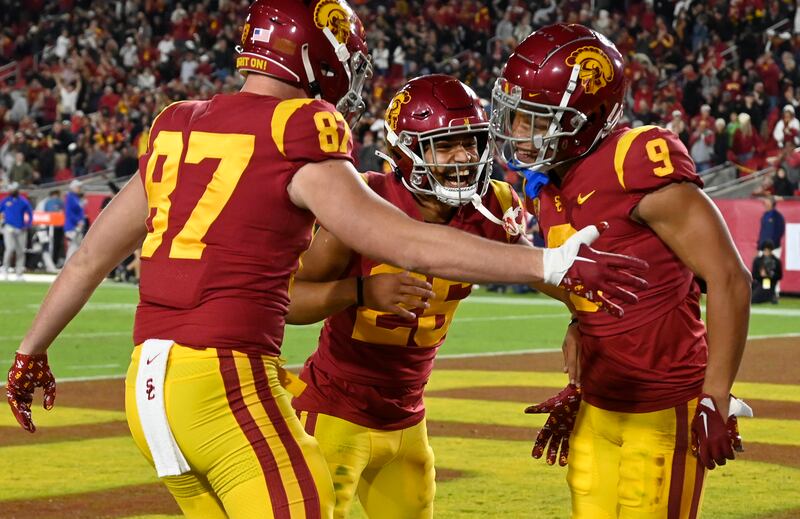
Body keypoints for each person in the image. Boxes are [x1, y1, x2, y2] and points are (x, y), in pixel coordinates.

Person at [4, 4, 647, 519]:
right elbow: (404, 241)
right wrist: (549, 266)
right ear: (317, 55)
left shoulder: (177, 122)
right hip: (223, 381)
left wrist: (31, 349)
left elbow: (91, 256)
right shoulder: (299, 126)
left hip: (147, 387)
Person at [283, 74, 613, 519]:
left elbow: (540, 272)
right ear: (406, 150)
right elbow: (286, 300)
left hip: (408, 417)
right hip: (334, 411)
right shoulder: (366, 198)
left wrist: (580, 318)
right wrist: (359, 291)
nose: (464, 158)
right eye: (446, 145)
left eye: (471, 143)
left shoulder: (494, 204)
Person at [490, 24, 752, 518]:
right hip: (598, 406)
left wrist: (716, 398)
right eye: (517, 116)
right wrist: (579, 329)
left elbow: (730, 278)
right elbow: (592, 279)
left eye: (535, 120)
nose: (518, 133)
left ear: (587, 119)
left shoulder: (633, 161)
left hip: (664, 408)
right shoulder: (548, 184)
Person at [0, 182, 33, 280]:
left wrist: (27, 225)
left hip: (20, 229)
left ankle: (19, 273)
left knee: (20, 251)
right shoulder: (5, 201)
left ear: (17, 190)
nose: (11, 191)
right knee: (9, 249)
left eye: (13, 190)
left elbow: (30, 214)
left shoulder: (23, 201)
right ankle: (5, 270)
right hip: (8, 228)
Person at [63, 179, 85, 261]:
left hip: (76, 225)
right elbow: (69, 213)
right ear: (72, 188)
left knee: (76, 247)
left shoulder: (76, 198)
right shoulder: (70, 198)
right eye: (78, 187)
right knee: (73, 247)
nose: (79, 188)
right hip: (72, 226)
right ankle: (67, 266)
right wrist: (78, 222)